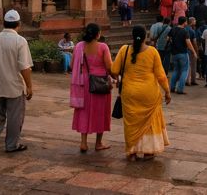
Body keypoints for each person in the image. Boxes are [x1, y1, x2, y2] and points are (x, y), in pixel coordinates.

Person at [111, 26, 171, 161]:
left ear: (132, 36)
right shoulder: (153, 52)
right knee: (149, 123)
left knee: (131, 123)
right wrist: (167, 92)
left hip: (129, 93)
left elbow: (114, 70)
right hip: (149, 93)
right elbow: (161, 75)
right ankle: (148, 152)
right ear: (145, 37)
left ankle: (132, 152)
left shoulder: (124, 50)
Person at [0, 10, 33, 153]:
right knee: (15, 117)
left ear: (4, 23)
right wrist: (29, 86)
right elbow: (25, 67)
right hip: (14, 87)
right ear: (19, 24)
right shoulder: (20, 41)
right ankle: (11, 145)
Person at [70, 23, 112, 152]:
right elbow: (109, 66)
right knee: (101, 112)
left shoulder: (79, 47)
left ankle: (83, 143)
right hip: (100, 83)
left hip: (84, 83)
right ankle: (98, 143)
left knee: (84, 111)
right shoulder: (103, 47)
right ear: (97, 34)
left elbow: (72, 65)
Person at [168, 17, 197, 94]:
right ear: (184, 22)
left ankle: (172, 87)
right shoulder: (185, 31)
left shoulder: (172, 29)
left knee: (176, 70)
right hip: (183, 53)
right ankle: (180, 89)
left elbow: (168, 38)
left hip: (174, 53)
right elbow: (188, 43)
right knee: (184, 71)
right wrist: (194, 52)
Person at [185, 17, 200, 87]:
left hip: (184, 49)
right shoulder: (192, 31)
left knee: (187, 66)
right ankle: (192, 80)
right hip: (191, 50)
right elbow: (194, 43)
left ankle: (186, 80)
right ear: (192, 22)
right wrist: (196, 51)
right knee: (193, 65)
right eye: (195, 20)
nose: (196, 21)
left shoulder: (184, 29)